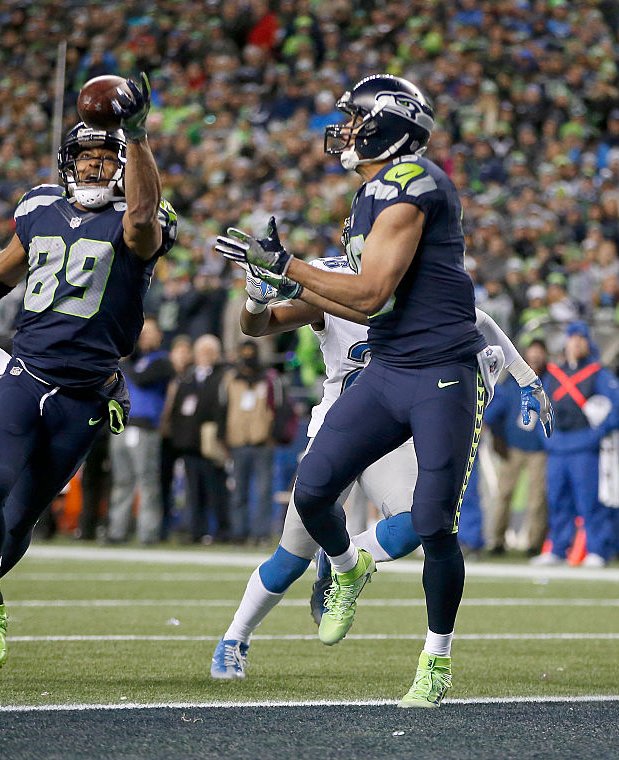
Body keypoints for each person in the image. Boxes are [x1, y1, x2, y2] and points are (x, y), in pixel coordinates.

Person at [216, 74, 551, 707]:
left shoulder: (414, 183)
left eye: (354, 116)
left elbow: (371, 295)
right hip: (385, 371)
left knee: (434, 525)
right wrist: (268, 289)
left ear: (386, 125)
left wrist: (286, 267)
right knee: (313, 489)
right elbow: (283, 314)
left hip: (441, 375)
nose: (342, 128)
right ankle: (345, 565)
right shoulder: (373, 192)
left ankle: (436, 661)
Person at [0, 74, 175, 672]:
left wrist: (141, 135)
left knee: (21, 518)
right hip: (27, 371)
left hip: (87, 391)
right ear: (70, 163)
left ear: (125, 163)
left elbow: (144, 216)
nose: (97, 169)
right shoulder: (39, 208)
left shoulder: (140, 215)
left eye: (108, 158)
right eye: (88, 158)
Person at [210, 258, 545, 682]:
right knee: (291, 556)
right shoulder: (330, 281)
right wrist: (257, 300)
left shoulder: (413, 279)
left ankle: (344, 561)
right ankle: (234, 639)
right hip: (340, 426)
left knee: (415, 525)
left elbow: (479, 321)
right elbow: (258, 327)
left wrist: (525, 377)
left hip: (396, 429)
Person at [532, 322, 619, 568]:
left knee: (589, 501)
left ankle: (597, 549)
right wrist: (547, 437)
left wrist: (596, 434)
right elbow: (540, 407)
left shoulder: (598, 373)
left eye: (581, 338)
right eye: (572, 338)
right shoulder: (552, 374)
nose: (576, 343)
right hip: (558, 447)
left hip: (584, 446)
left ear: (588, 342)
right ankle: (557, 548)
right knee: (557, 500)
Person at [107, 317, 172, 545]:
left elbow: (143, 379)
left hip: (145, 427)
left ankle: (148, 532)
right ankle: (117, 530)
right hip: (122, 426)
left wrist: (123, 359)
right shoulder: (133, 361)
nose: (145, 336)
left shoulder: (162, 361)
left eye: (150, 332)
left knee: (147, 482)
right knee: (122, 481)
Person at [483, 339, 550, 556]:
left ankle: (534, 542)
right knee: (504, 494)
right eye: (532, 354)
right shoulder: (512, 382)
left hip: (539, 449)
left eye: (539, 354)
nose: (535, 358)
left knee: (537, 499)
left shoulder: (550, 382)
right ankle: (496, 540)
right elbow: (496, 408)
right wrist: (493, 432)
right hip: (513, 447)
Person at [163, 334, 230, 543]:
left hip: (210, 443)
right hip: (190, 443)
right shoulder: (187, 378)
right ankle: (195, 530)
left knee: (215, 490)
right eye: (203, 352)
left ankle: (221, 531)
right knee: (193, 490)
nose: (206, 356)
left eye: (210, 352)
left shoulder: (223, 377)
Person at [220, 339, 284, 544]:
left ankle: (261, 533)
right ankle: (239, 532)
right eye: (244, 352)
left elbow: (280, 408)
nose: (248, 357)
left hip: (263, 442)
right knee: (238, 491)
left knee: (264, 490)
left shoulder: (269, 378)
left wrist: (272, 435)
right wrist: (224, 438)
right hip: (237, 441)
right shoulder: (230, 379)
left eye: (251, 352)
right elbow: (221, 408)